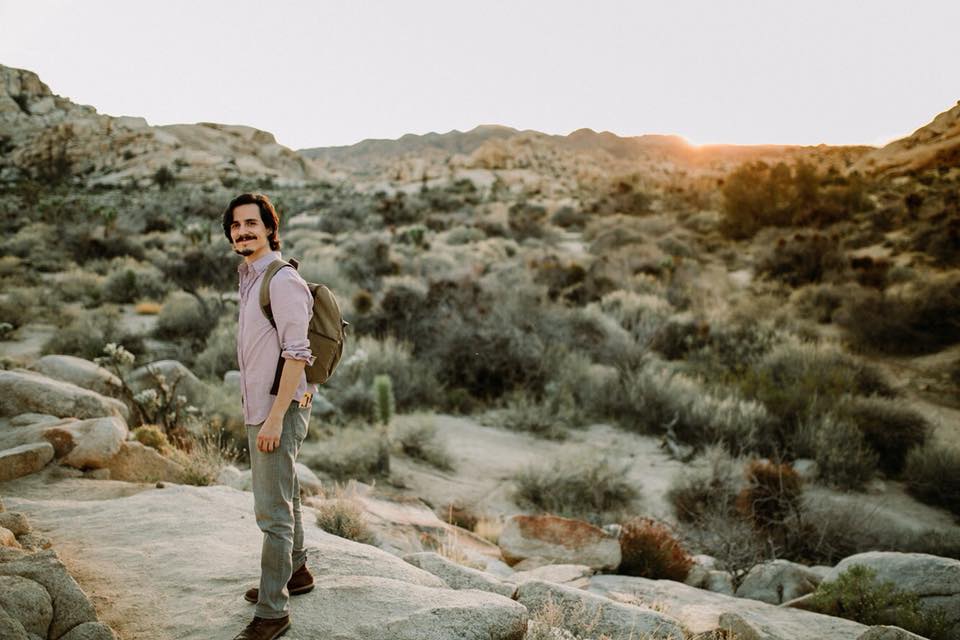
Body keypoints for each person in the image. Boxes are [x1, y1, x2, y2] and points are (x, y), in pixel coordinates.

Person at [222, 193, 315, 640]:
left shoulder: (281, 280)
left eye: (251, 223)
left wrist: (275, 419)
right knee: (286, 490)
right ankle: (295, 572)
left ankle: (273, 612)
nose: (242, 231)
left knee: (272, 512)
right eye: (236, 225)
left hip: (277, 409)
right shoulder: (251, 276)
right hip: (264, 406)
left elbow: (297, 354)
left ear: (270, 228)